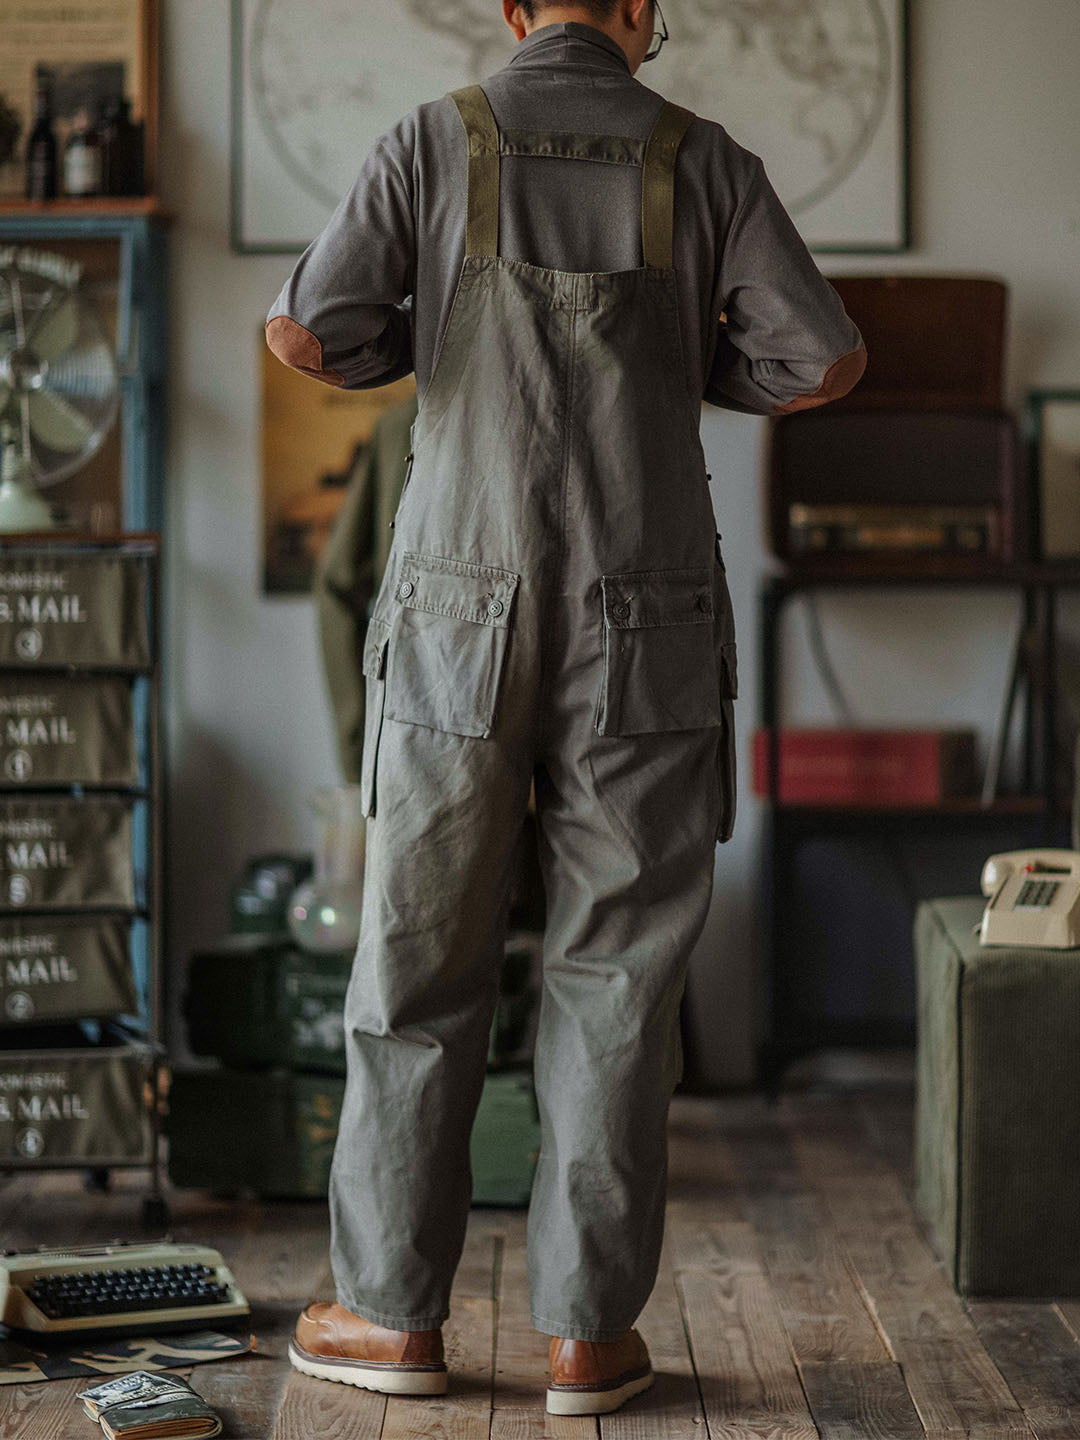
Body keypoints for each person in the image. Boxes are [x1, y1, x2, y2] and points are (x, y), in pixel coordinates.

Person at [265, 0, 865, 1417]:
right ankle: (587, 1340)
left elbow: (303, 335)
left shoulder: (434, 140)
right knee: (616, 976)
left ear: (517, 9)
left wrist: (410, 346)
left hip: (461, 611)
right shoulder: (702, 157)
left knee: (420, 964)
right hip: (645, 617)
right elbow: (827, 360)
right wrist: (683, 367)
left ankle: (389, 1319)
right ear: (643, 11)